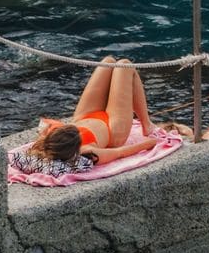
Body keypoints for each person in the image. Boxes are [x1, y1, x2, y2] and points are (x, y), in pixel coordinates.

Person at [10, 56, 163, 177]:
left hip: (85, 116)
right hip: (112, 128)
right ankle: (146, 124)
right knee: (124, 65)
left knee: (108, 62)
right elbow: (121, 152)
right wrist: (151, 143)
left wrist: (45, 133)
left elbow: (40, 137)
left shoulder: (48, 141)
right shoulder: (90, 153)